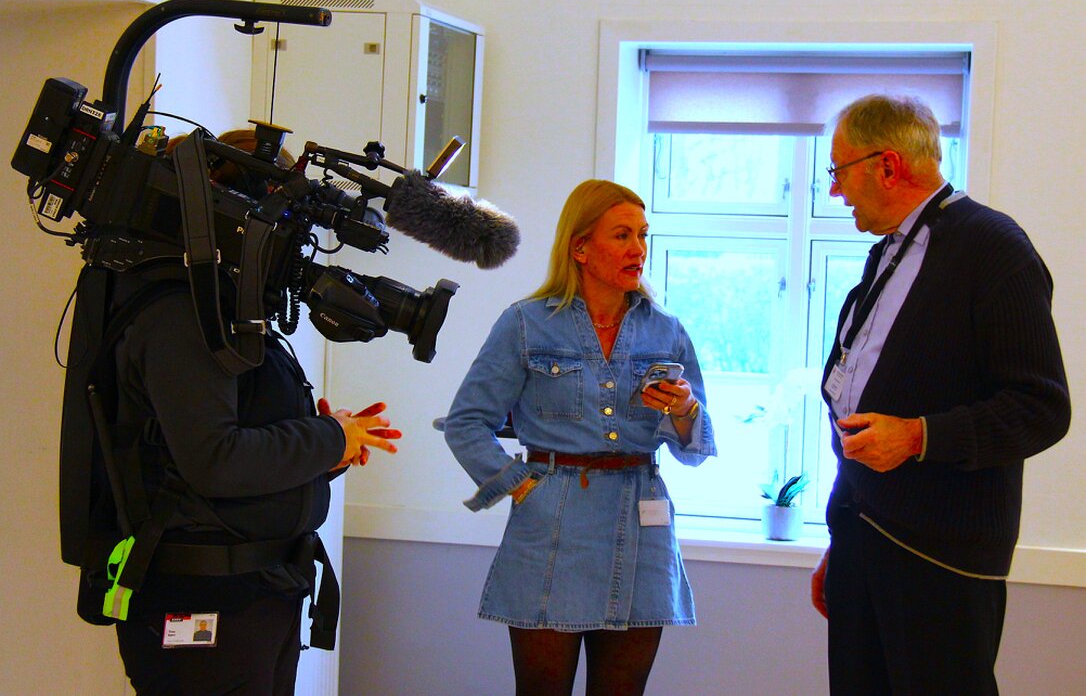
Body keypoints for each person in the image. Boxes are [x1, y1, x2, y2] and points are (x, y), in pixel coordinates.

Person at [106, 127, 402, 694]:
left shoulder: (220, 307)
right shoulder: (182, 312)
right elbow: (215, 460)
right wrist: (327, 438)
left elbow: (228, 448)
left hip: (253, 595)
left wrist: (331, 446)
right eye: (285, 221)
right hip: (206, 603)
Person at [810, 95, 1071, 694]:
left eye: (839, 171)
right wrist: (842, 535)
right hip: (864, 540)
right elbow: (856, 408)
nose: (836, 191)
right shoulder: (888, 253)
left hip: (939, 558)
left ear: (888, 166)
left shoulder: (993, 248)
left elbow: (1042, 407)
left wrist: (919, 437)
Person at [443, 179, 716, 695]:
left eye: (643, 235)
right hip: (550, 529)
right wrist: (519, 485)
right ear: (581, 247)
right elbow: (466, 422)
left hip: (642, 530)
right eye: (622, 235)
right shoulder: (526, 324)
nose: (638, 249)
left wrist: (684, 409)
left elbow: (695, 448)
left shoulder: (667, 330)